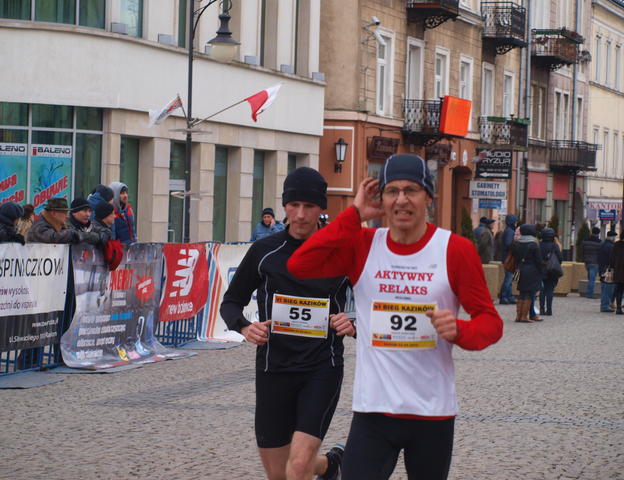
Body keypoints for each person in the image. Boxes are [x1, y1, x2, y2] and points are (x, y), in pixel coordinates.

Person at [288, 154, 503, 480]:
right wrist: (354, 215)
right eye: (392, 191)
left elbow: (490, 322)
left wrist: (459, 330)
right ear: (382, 199)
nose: (402, 200)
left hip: (431, 412)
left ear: (428, 197)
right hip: (374, 410)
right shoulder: (363, 245)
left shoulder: (454, 249)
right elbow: (299, 264)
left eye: (411, 190)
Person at [220, 167, 353, 480]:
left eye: (309, 206)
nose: (301, 214)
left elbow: (372, 301)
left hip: (321, 368)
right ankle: (330, 465)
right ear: (284, 206)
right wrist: (244, 327)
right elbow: (231, 301)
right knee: (280, 473)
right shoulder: (265, 251)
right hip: (274, 368)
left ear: (322, 208)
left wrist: (353, 322)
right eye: (294, 205)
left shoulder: (342, 251)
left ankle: (320, 465)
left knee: (298, 467)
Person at [512, 224, 544, 323]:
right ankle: (524, 316)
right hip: (532, 271)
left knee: (522, 293)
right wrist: (541, 271)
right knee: (529, 294)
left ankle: (518, 316)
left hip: (521, 270)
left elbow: (516, 258)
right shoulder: (533, 244)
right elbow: (538, 260)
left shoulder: (517, 244)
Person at [539, 228, 562, 316]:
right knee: (550, 290)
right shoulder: (554, 245)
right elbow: (560, 258)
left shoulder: (539, 245)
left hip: (541, 270)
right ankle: (549, 310)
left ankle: (541, 309)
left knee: (542, 290)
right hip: (552, 270)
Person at [499, 214, 518, 304]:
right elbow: (508, 244)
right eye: (515, 221)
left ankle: (509, 296)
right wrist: (516, 245)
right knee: (508, 278)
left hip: (507, 257)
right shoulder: (510, 231)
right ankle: (503, 296)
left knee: (509, 278)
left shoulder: (508, 230)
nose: (516, 223)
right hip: (508, 258)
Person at [598, 231, 617, 312]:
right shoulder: (611, 246)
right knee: (608, 289)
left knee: (604, 288)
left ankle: (605, 305)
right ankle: (605, 306)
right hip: (608, 270)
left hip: (602, 269)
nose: (615, 239)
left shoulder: (602, 244)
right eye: (615, 237)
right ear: (612, 237)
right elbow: (612, 259)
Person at [582, 226, 601, 299]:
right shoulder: (599, 242)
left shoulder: (585, 241)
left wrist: (584, 259)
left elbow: (582, 251)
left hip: (587, 262)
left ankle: (588, 292)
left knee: (590, 278)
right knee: (592, 279)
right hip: (595, 262)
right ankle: (590, 294)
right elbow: (600, 253)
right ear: (598, 233)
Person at [610, 231, 624, 314]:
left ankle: (618, 308)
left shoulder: (616, 245)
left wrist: (612, 268)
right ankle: (619, 308)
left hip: (618, 271)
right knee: (620, 289)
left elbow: (612, 258)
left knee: (619, 289)